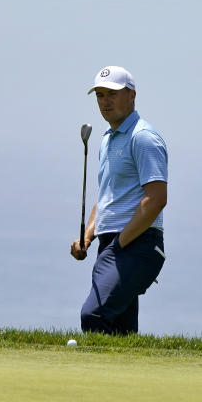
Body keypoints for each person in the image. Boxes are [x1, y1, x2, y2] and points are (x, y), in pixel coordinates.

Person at [70, 65, 168, 335]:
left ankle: (96, 377)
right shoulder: (107, 140)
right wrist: (87, 238)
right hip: (112, 244)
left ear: (132, 95)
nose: (105, 101)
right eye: (100, 95)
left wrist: (120, 243)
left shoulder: (143, 137)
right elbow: (105, 199)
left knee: (94, 314)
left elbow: (157, 198)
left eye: (112, 93)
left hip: (136, 244)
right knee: (121, 331)